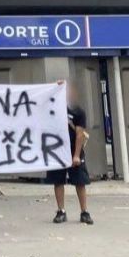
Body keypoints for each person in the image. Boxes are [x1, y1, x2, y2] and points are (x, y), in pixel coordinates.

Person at [47, 82, 93, 225]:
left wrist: (76, 155)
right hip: (57, 150)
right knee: (58, 180)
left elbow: (79, 134)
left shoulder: (78, 112)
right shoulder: (52, 109)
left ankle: (84, 211)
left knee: (80, 181)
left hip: (73, 150)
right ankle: (61, 211)